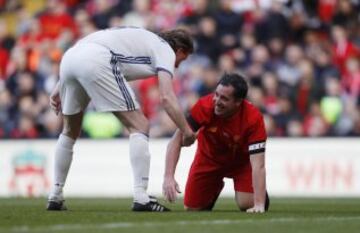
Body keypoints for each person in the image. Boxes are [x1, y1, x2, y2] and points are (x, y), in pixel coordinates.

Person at [47, 27, 196, 212]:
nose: (179, 64)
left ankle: (55, 194)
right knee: (140, 125)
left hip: (70, 59)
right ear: (180, 50)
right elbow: (166, 96)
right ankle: (141, 197)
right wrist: (186, 130)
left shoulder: (140, 38)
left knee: (69, 131)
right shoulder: (165, 49)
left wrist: (60, 83)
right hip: (96, 59)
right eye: (184, 58)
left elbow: (85, 50)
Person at [163, 73, 270, 213]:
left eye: (224, 98)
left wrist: (259, 204)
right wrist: (169, 177)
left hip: (242, 164)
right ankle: (213, 188)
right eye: (216, 94)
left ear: (238, 102)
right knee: (192, 209)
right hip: (209, 159)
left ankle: (261, 196)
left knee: (248, 204)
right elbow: (175, 140)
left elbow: (259, 165)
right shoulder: (204, 106)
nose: (217, 101)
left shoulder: (253, 119)